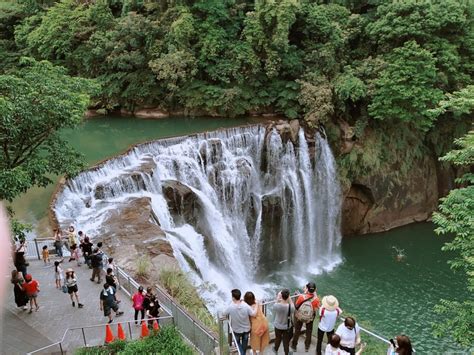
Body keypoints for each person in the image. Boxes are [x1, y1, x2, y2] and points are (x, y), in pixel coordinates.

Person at [222, 289, 257, 355]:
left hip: (237, 330)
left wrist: (231, 303)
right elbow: (253, 314)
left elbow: (224, 313)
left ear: (233, 297)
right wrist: (257, 305)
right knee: (245, 343)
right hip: (247, 329)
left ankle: (242, 354)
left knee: (237, 342)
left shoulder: (231, 307)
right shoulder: (246, 305)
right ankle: (243, 353)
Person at [291, 282, 320, 352]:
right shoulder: (316, 299)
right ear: (315, 289)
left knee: (297, 330)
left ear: (307, 288)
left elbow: (297, 306)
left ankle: (294, 345)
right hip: (309, 318)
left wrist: (305, 292)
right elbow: (316, 309)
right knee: (309, 331)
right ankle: (307, 346)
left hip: (300, 317)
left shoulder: (302, 297)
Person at [272, 289, 295, 355]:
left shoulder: (277, 305)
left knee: (278, 338)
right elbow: (293, 306)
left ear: (281, 296)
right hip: (286, 327)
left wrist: (278, 297)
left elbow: (274, 304)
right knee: (286, 341)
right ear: (288, 296)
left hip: (277, 326)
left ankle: (276, 349)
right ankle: (287, 353)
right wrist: (289, 299)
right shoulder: (291, 307)